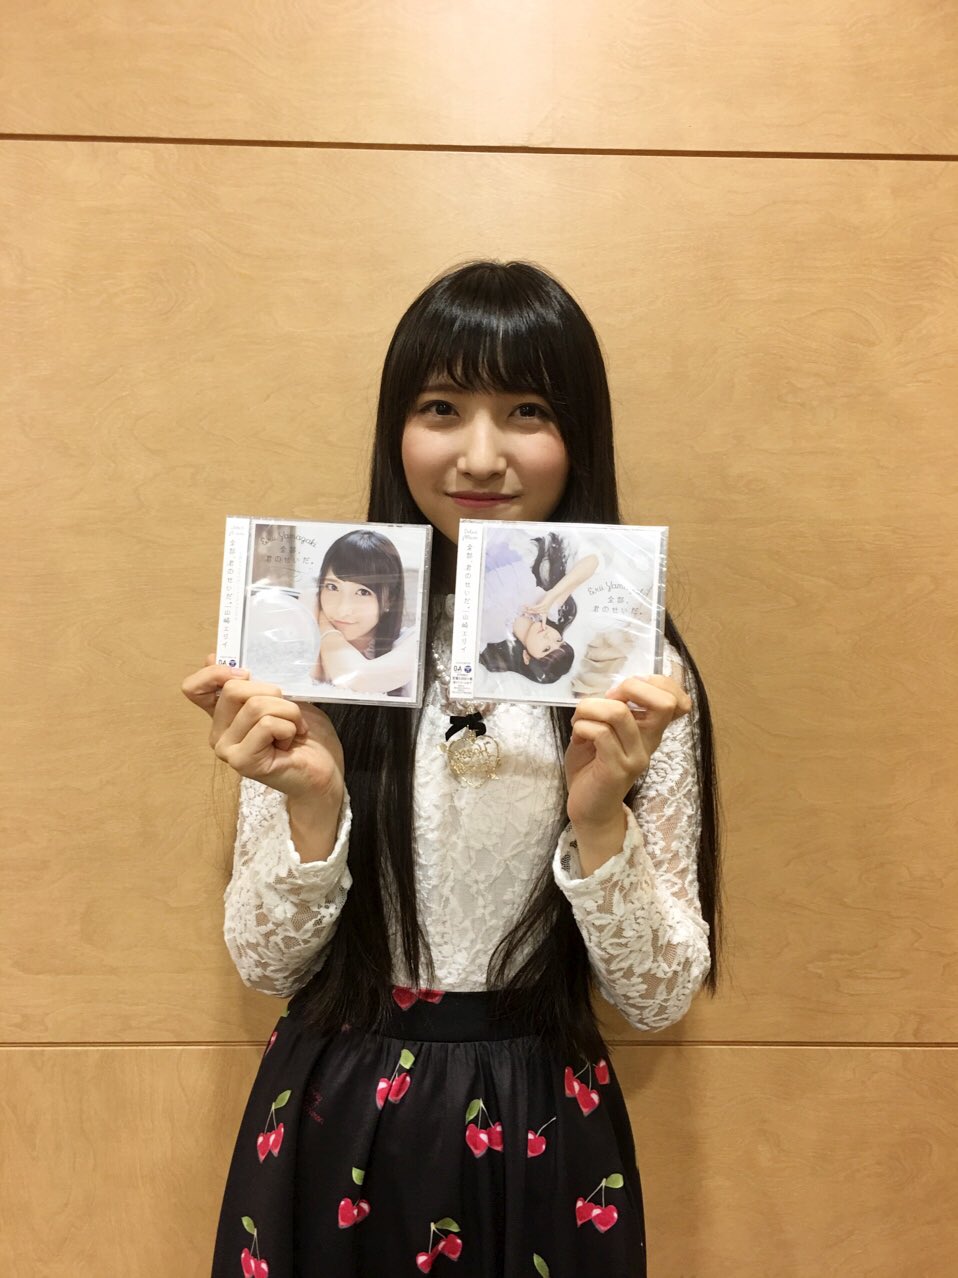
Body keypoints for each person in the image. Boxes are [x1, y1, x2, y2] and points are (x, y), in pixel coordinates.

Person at [181, 260, 720, 1278]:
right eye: (441, 408)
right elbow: (265, 966)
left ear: (579, 436)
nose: (480, 455)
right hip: (337, 1101)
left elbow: (655, 997)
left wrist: (600, 819)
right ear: (398, 429)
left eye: (527, 411)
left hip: (538, 1112)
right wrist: (314, 806)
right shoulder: (327, 645)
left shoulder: (632, 668)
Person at [477, 529, 598, 684]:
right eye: (559, 640)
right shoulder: (545, 608)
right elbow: (592, 562)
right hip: (495, 535)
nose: (549, 637)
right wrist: (552, 594)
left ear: (527, 657)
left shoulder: (492, 632)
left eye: (546, 649)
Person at [309, 528, 417, 697]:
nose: (343, 609)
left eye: (363, 592)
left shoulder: (414, 641)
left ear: (390, 599)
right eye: (332, 587)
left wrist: (324, 626)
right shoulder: (307, 611)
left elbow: (360, 679)